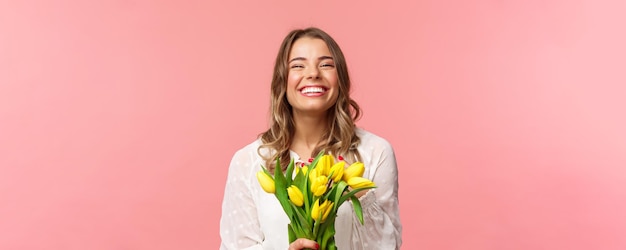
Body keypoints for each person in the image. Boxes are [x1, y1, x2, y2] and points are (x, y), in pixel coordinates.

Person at [219, 27, 402, 249]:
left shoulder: (374, 152)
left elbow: (388, 246)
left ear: (340, 79)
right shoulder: (248, 161)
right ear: (282, 80)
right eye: (298, 65)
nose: (313, 73)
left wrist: (358, 191)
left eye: (326, 64)